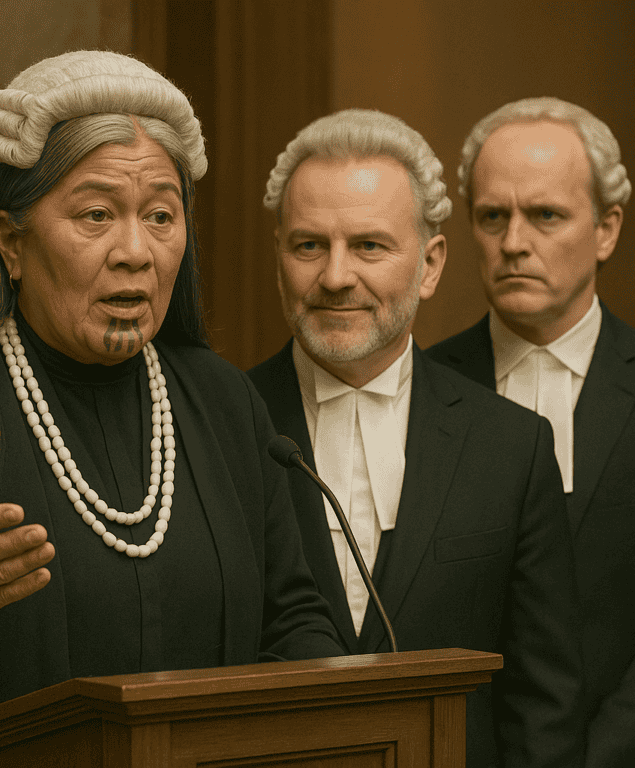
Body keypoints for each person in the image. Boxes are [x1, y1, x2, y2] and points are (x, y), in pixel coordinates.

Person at [0, 51, 344, 766]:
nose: (135, 251)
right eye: (96, 214)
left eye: (161, 216)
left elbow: (293, 618)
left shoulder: (221, 399)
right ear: (11, 242)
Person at [248, 108, 586, 767]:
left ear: (430, 265)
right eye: (309, 246)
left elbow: (544, 707)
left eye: (369, 246)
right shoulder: (220, 424)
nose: (336, 276)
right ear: (279, 256)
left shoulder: (511, 446)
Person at [427, 97, 634, 768]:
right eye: (493, 216)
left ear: (606, 230)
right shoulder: (421, 388)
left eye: (546, 215)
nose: (513, 242)